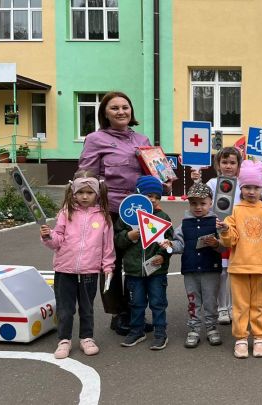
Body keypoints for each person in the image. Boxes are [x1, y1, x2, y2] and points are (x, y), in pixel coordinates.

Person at [78, 91, 151, 335]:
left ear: (131, 111)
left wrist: (162, 181)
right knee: (110, 264)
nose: (121, 111)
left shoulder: (142, 138)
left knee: (135, 263)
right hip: (109, 211)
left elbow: (152, 172)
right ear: (105, 114)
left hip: (138, 210)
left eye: (125, 107)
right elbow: (85, 177)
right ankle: (118, 314)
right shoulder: (95, 139)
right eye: (114, 108)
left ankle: (135, 311)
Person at [40, 171, 115, 359]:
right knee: (65, 308)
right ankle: (64, 340)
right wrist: (47, 236)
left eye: (89, 192)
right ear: (73, 192)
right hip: (64, 269)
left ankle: (86, 338)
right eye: (80, 192)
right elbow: (56, 241)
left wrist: (108, 266)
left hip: (90, 270)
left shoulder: (103, 216)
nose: (84, 196)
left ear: (97, 193)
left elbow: (108, 245)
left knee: (87, 308)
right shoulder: (66, 213)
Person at [217, 160, 262, 359]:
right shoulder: (233, 210)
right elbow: (230, 241)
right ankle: (241, 338)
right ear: (241, 187)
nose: (251, 191)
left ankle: (260, 337)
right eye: (247, 187)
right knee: (240, 306)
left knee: (261, 305)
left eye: (256, 187)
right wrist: (225, 230)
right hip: (238, 268)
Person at [115, 176, 174, 350]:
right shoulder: (126, 218)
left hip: (156, 271)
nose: (154, 200)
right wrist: (129, 236)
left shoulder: (162, 216)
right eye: (149, 196)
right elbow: (118, 241)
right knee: (136, 302)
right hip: (134, 271)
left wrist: (163, 256)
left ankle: (160, 333)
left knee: (158, 302)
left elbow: (169, 241)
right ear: (138, 196)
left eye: (157, 197)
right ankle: (136, 331)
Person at [162, 182, 224, 348]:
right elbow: (179, 245)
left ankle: (212, 328)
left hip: (211, 268)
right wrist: (170, 245)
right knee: (193, 301)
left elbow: (224, 246)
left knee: (211, 301)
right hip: (190, 270)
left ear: (211, 203)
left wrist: (216, 243)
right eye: (193, 203)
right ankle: (194, 329)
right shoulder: (184, 224)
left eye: (203, 203)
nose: (198, 207)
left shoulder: (216, 223)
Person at [206, 146, 243, 325]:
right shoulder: (213, 183)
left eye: (232, 162)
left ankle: (233, 307)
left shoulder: (243, 184)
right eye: (224, 162)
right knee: (222, 272)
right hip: (219, 233)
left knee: (234, 272)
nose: (228, 166)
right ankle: (222, 308)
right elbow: (204, 205)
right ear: (218, 164)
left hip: (237, 234)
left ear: (238, 165)